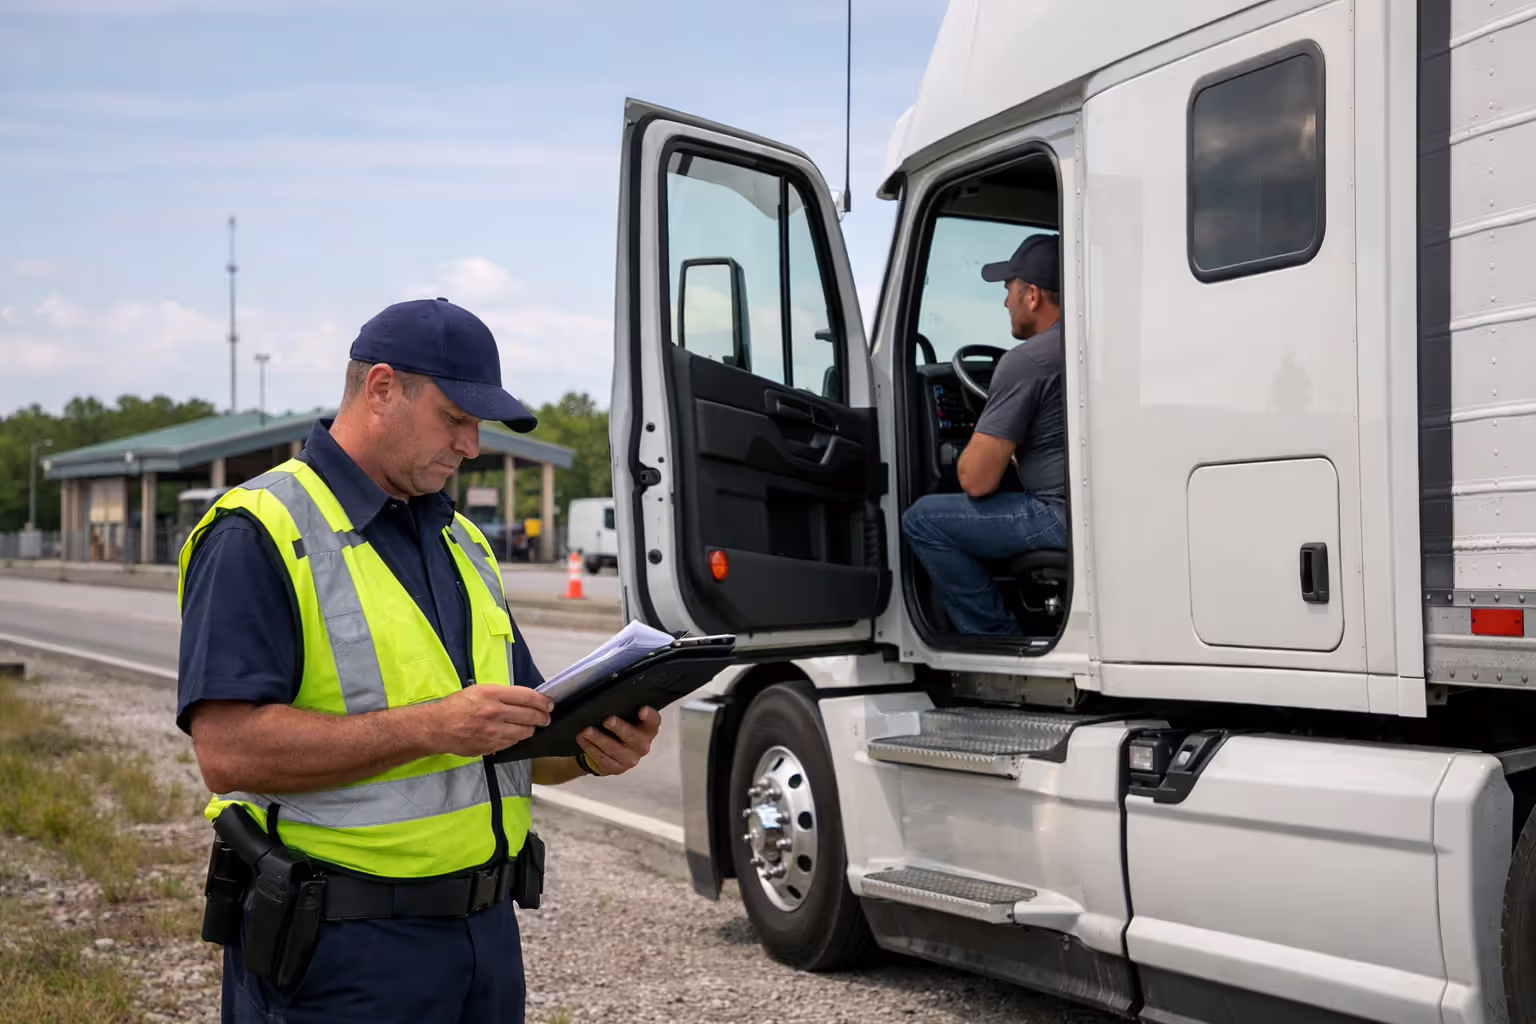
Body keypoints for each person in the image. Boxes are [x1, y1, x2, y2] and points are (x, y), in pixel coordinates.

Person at [176, 297, 661, 1024]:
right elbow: (228, 752)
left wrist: (592, 749)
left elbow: (509, 739)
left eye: (479, 426)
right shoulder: (258, 532)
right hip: (340, 949)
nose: (471, 445)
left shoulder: (462, 540)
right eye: (455, 419)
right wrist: (434, 727)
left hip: (484, 939)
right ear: (380, 390)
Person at [901, 234, 1067, 635]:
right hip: (1095, 513)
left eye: (1009, 290)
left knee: (922, 519)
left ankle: (995, 638)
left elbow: (976, 480)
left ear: (1032, 296)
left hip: (1056, 516)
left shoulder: (1025, 362)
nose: (1005, 302)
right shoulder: (1093, 344)